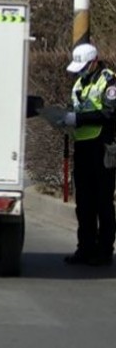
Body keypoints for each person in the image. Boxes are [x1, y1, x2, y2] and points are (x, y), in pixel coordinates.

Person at [56, 42, 116, 266]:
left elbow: (110, 114)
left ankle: (104, 250)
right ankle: (85, 248)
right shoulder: (80, 82)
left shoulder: (109, 81)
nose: (80, 72)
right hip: (82, 147)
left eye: (83, 67)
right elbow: (78, 108)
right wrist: (65, 119)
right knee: (84, 203)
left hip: (102, 148)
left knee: (103, 203)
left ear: (94, 62)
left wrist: (78, 119)